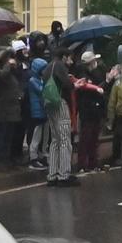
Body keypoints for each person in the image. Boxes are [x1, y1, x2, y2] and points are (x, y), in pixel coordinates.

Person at [44, 55, 78, 186]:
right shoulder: (59, 66)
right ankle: (64, 175)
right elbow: (67, 84)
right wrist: (73, 83)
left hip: (48, 103)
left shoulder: (48, 67)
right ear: (64, 57)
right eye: (70, 58)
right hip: (60, 102)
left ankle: (52, 175)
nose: (71, 61)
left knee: (55, 140)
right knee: (64, 139)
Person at [0, 49, 26, 170]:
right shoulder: (0, 72)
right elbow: (3, 75)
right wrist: (8, 65)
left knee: (8, 137)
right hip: (4, 110)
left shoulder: (12, 74)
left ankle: (6, 159)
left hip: (12, 109)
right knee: (2, 136)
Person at [74, 51, 107, 173]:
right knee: (86, 138)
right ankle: (82, 164)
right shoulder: (82, 74)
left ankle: (93, 163)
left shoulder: (97, 72)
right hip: (87, 109)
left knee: (94, 137)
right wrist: (106, 82)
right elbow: (92, 89)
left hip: (96, 109)